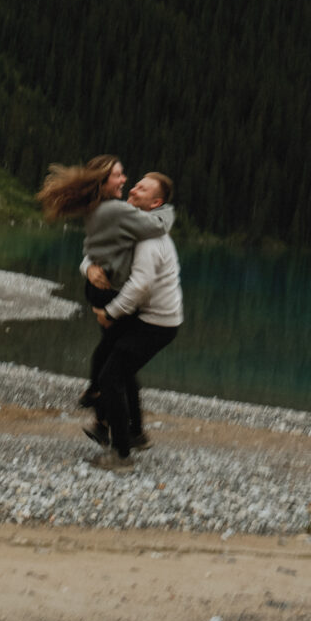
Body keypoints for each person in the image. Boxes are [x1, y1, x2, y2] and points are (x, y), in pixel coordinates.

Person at [37, 155, 174, 404]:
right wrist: (168, 211)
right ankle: (99, 398)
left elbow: (94, 252)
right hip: (109, 290)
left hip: (100, 287)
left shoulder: (102, 208)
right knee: (116, 352)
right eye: (118, 175)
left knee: (115, 348)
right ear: (102, 182)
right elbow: (158, 227)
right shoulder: (116, 210)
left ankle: (106, 408)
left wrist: (87, 267)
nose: (125, 181)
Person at [86, 172, 183, 470]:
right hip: (145, 317)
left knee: (111, 376)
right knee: (116, 368)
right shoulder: (134, 228)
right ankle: (134, 433)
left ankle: (122, 455)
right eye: (136, 184)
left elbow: (141, 285)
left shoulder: (151, 240)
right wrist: (88, 267)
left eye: (143, 188)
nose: (134, 188)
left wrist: (110, 313)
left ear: (156, 203)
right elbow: (98, 247)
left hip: (156, 323)